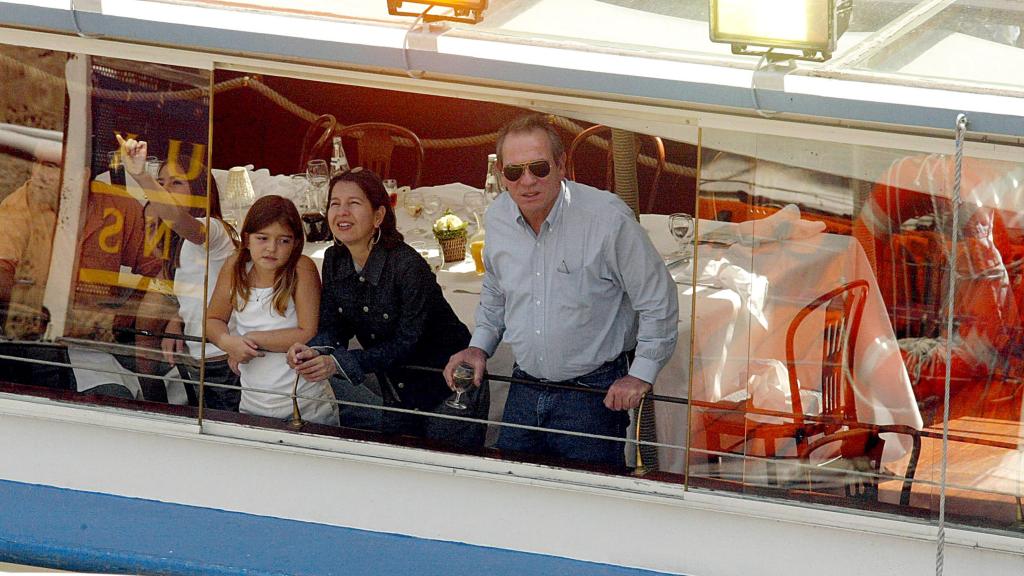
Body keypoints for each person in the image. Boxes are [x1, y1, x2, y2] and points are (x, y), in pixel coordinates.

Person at [444, 114, 678, 468]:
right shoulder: (498, 218)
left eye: (539, 168)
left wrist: (641, 374)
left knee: (588, 509)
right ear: (500, 175)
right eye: (514, 172)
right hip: (524, 388)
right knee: (513, 496)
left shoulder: (607, 220)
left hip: (590, 395)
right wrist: (478, 346)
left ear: (561, 165)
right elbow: (495, 289)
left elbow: (658, 299)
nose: (527, 181)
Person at [287, 168, 487, 444]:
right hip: (397, 389)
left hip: (449, 389)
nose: (341, 212)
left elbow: (407, 342)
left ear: (379, 216)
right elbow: (334, 325)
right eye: (335, 204)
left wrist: (337, 364)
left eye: (354, 204)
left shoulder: (407, 265)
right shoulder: (334, 259)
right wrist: (313, 351)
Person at [119, 137, 241, 410]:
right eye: (161, 182)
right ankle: (155, 411)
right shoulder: (176, 246)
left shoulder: (214, 230)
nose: (166, 189)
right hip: (198, 362)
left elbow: (179, 220)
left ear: (201, 192)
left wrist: (141, 176)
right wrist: (176, 319)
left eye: (176, 182)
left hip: (224, 361)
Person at [206, 194, 336, 425]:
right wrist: (228, 343)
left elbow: (307, 331)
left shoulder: (300, 268)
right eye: (262, 238)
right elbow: (213, 319)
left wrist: (250, 339)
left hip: (304, 403)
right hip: (253, 401)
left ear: (296, 243)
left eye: (283, 240)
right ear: (246, 239)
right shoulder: (235, 266)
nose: (271, 248)